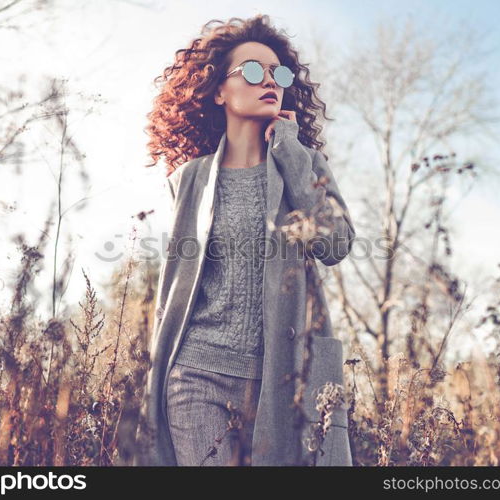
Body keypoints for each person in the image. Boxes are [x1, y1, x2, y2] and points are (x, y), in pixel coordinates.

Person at [135, 14, 356, 466]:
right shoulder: (189, 180)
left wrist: (291, 151)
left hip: (281, 377)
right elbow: (176, 287)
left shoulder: (305, 164)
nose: (269, 81)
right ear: (219, 91)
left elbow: (334, 244)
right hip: (197, 375)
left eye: (279, 73)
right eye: (252, 71)